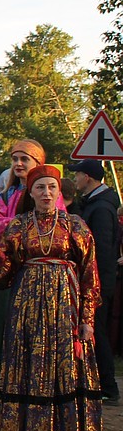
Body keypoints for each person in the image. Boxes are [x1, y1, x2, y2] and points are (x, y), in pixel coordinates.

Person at [0, 164, 103, 431]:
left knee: (61, 371)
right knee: (28, 371)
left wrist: (87, 318)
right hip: (26, 309)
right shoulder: (18, 226)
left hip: (65, 309)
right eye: (40, 187)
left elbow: (90, 275)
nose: (46, 193)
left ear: (59, 191)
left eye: (52, 187)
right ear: (31, 192)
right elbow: (3, 279)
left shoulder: (76, 226)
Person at [0, 139, 53, 394]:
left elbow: (47, 228)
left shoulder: (46, 193)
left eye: (25, 159)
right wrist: (20, 225)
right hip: (4, 270)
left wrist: (12, 225)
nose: (19, 164)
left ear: (38, 163)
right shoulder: (6, 194)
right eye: (15, 159)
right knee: (2, 331)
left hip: (36, 275)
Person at [70, 158, 120, 405]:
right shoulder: (98, 204)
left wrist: (94, 284)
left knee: (96, 332)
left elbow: (99, 249)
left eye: (77, 175)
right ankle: (104, 384)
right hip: (100, 280)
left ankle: (108, 387)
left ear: (87, 177)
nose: (75, 180)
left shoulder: (100, 209)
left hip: (99, 282)